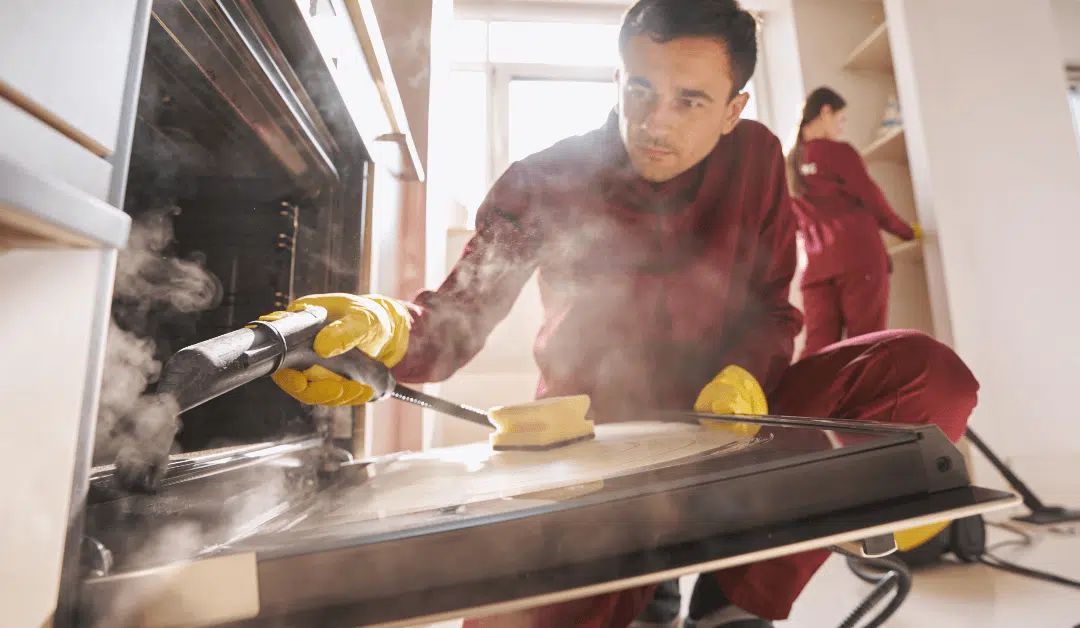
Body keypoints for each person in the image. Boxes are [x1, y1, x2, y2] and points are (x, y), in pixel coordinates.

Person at [259, 1, 979, 627]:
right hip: (594, 444)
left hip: (736, 423)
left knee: (924, 374)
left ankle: (736, 598)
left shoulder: (758, 159)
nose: (653, 122)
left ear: (736, 109)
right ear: (619, 78)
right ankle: (645, 579)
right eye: (640, 88)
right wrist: (384, 332)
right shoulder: (546, 179)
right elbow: (453, 320)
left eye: (690, 101)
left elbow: (770, 308)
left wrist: (745, 378)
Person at [786, 87, 922, 358]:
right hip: (858, 258)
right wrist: (906, 231)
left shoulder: (787, 164)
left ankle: (805, 401)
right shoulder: (837, 152)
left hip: (816, 267)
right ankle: (861, 402)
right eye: (841, 118)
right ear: (825, 112)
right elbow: (872, 198)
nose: (841, 126)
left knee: (817, 351)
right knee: (864, 344)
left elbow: (791, 224)